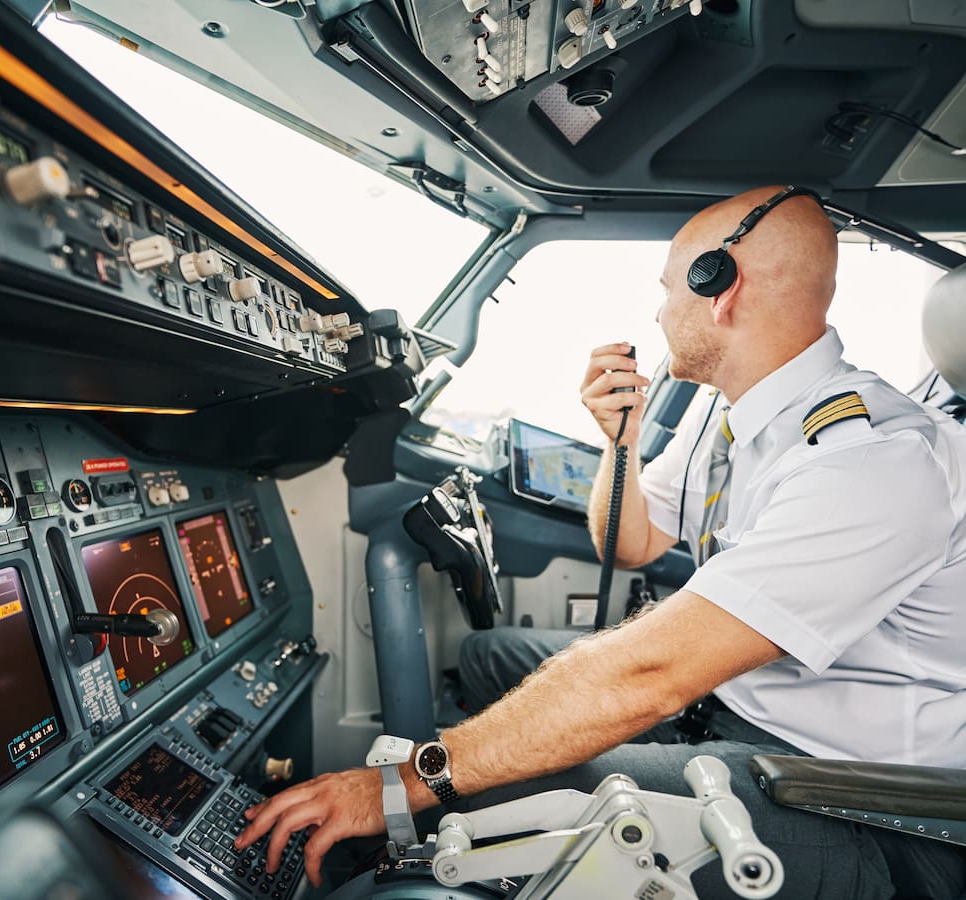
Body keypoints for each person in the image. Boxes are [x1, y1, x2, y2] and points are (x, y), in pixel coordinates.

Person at [235, 186, 966, 898]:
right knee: (489, 660)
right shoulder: (736, 416)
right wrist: (621, 443)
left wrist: (412, 780)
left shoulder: (870, 456)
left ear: (722, 287)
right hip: (743, 711)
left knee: (474, 816)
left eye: (669, 288)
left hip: (857, 799)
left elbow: (652, 672)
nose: (658, 310)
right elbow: (633, 544)